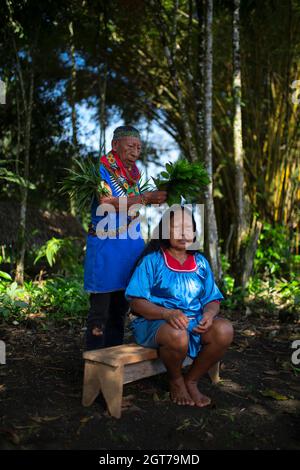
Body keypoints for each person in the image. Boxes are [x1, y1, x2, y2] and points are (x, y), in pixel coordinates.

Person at [125, 205, 234, 407]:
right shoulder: (153, 261)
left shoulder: (200, 262)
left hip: (193, 323)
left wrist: (209, 314)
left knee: (224, 330)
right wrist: (166, 313)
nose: (183, 233)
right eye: (176, 227)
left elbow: (212, 298)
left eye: (188, 227)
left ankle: (191, 380)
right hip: (155, 323)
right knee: (177, 333)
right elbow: (136, 302)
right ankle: (175, 380)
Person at [84, 125, 167, 351]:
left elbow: (134, 204)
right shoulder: (100, 170)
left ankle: (111, 362)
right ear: (115, 145)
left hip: (130, 245)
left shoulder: (133, 175)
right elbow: (106, 203)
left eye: (139, 147)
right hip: (105, 245)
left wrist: (156, 197)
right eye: (131, 146)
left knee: (121, 307)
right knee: (101, 308)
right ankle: (94, 362)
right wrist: (146, 198)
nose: (136, 151)